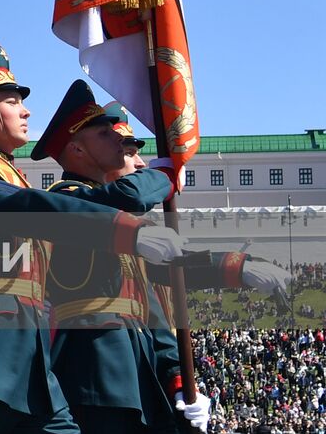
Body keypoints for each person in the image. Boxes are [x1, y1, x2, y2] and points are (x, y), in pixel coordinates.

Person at [0, 43, 190, 434]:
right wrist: (128, 229)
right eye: (11, 101)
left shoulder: (5, 176)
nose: (26, 111)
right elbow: (40, 211)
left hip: (30, 358)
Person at [44, 97, 291, 434]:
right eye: (127, 151)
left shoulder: (125, 229)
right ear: (78, 150)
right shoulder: (67, 200)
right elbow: (130, 198)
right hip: (94, 373)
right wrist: (167, 169)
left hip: (131, 370)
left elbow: (156, 314)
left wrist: (179, 382)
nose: (140, 164)